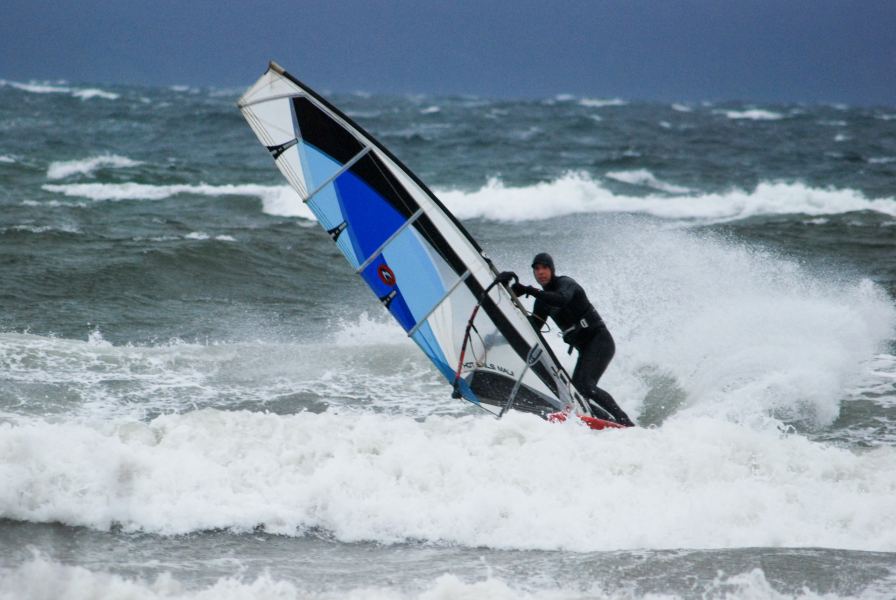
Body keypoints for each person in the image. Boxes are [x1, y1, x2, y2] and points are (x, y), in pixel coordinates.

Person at [500, 253, 634, 426]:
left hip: (600, 341)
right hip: (585, 348)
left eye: (545, 268)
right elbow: (533, 330)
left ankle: (627, 423)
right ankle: (609, 423)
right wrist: (507, 296)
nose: (541, 272)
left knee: (587, 386)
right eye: (536, 269)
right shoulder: (541, 303)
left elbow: (561, 299)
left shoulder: (566, 284)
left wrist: (528, 290)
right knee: (576, 395)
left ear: (552, 269)